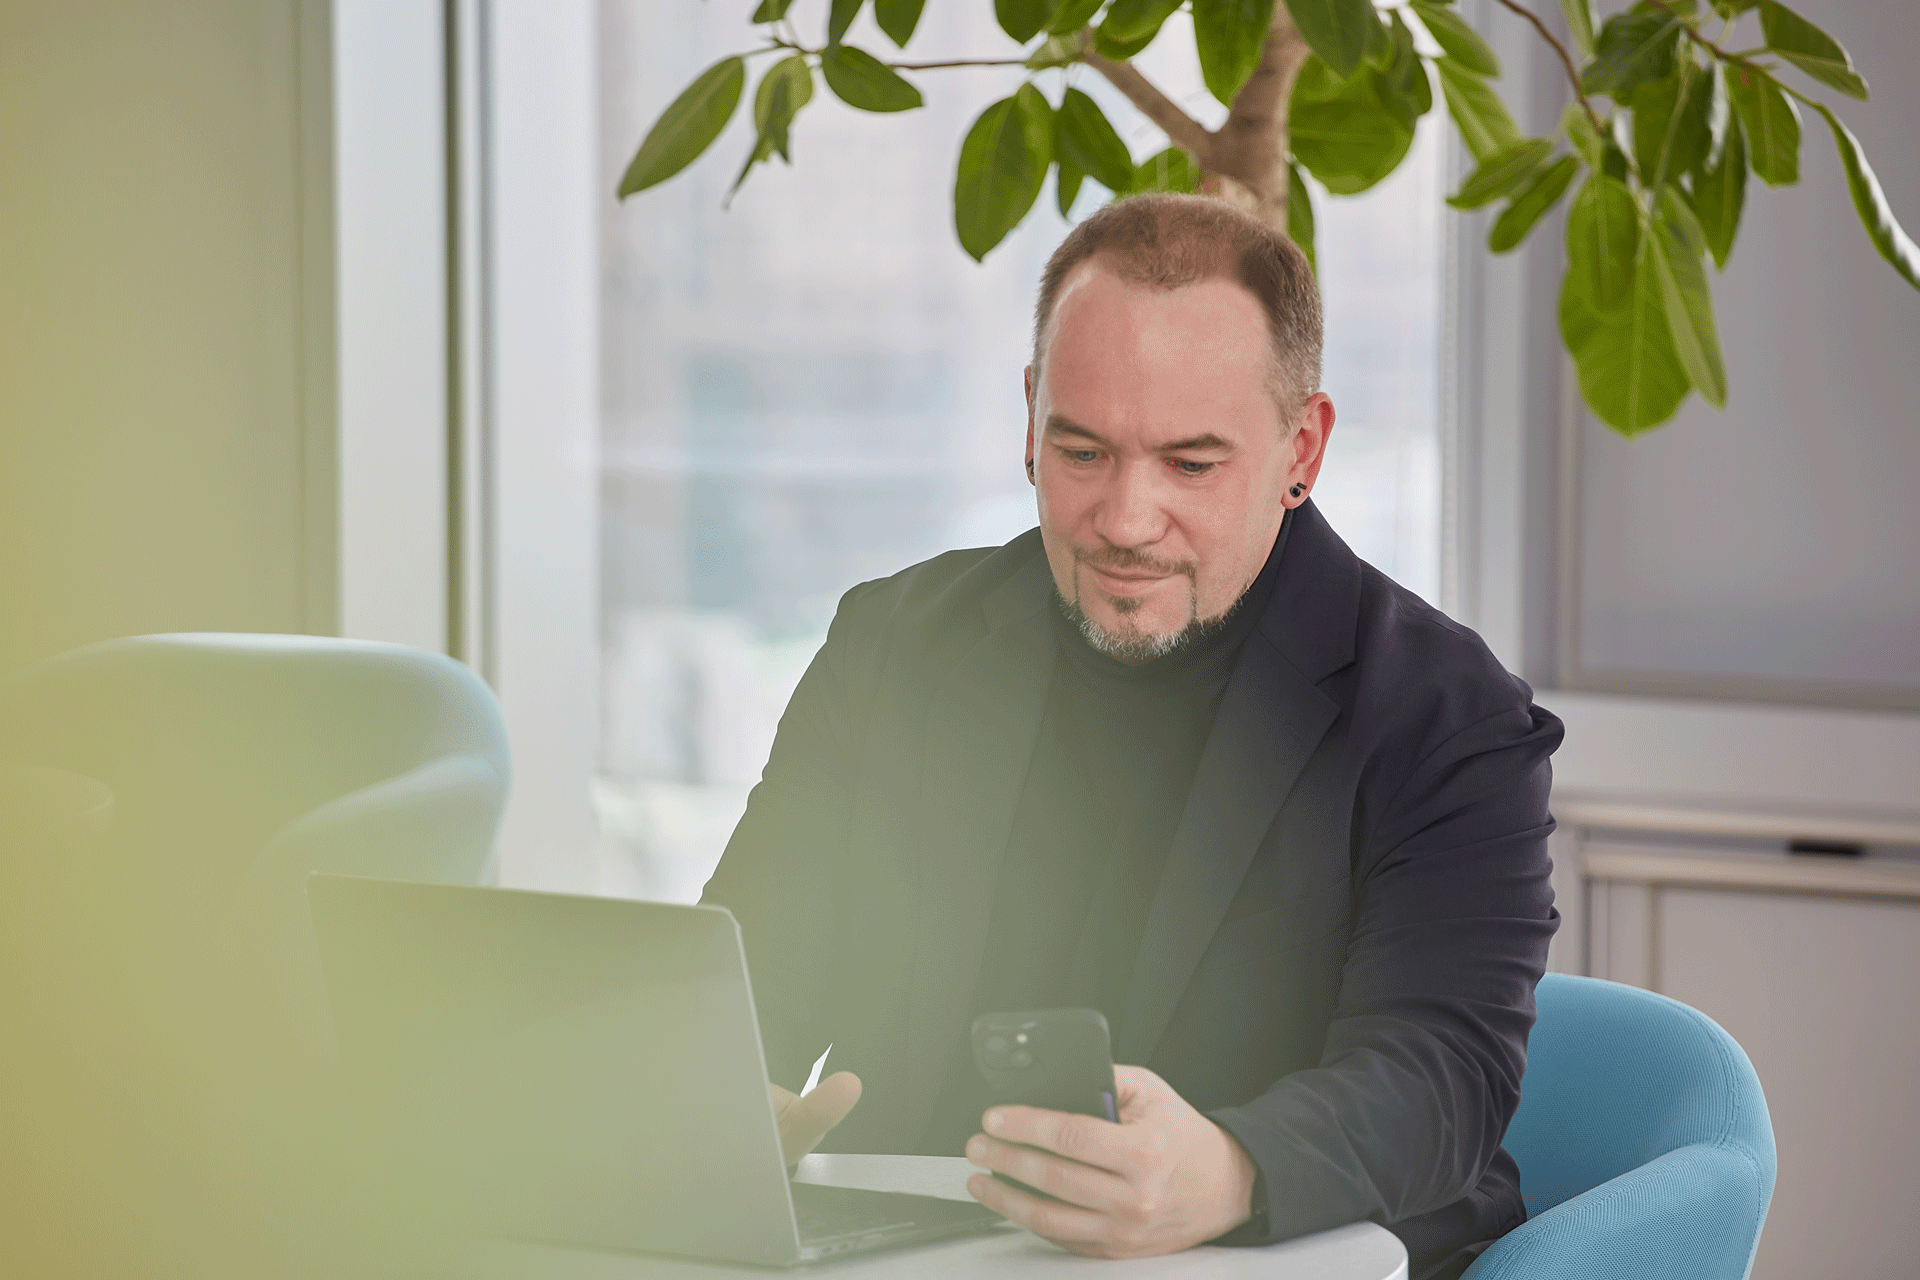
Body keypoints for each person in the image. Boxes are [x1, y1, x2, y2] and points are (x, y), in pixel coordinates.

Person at [701, 193, 1561, 1280]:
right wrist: (718, 1107)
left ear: (1302, 447)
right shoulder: (893, 644)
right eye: (1083, 451)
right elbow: (743, 970)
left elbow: (1443, 1072)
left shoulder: (1448, 715)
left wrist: (1233, 1167)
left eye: (1191, 465)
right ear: (1029, 420)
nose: (1124, 518)